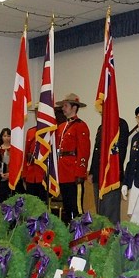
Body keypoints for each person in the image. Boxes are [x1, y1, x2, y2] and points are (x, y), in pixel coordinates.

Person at [55, 94, 91, 222]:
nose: (63, 108)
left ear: (74, 107)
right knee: (67, 206)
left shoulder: (80, 126)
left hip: (73, 172)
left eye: (66, 106)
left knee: (77, 208)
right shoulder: (61, 127)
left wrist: (81, 172)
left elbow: (84, 151)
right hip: (62, 171)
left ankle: (79, 235)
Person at [89, 117, 130, 223]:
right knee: (100, 211)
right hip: (99, 175)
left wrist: (112, 170)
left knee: (110, 213)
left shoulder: (120, 124)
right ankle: (101, 236)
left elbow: (120, 152)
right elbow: (96, 150)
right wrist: (92, 172)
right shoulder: (101, 126)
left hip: (111, 175)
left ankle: (111, 237)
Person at [23, 115, 49, 204]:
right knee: (30, 204)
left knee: (42, 204)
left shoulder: (49, 131)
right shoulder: (31, 131)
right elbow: (26, 153)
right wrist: (25, 173)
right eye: (36, 112)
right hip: (31, 174)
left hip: (43, 174)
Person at [0, 127, 13, 204]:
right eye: (4, 136)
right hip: (0, 177)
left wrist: (10, 174)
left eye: (8, 136)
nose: (6, 138)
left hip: (11, 178)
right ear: (1, 137)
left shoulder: (15, 149)